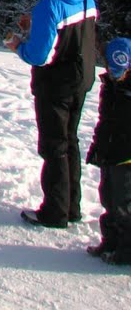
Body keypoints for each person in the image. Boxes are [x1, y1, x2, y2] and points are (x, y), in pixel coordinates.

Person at [6, 0, 97, 228]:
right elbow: (73, 34)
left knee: (54, 146)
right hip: (82, 78)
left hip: (55, 85)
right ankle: (72, 207)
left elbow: (40, 56)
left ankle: (54, 212)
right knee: (70, 141)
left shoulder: (48, 5)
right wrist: (37, 26)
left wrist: (17, 45)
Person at [86, 37, 131, 265]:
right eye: (112, 69)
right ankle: (110, 241)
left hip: (126, 156)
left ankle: (127, 250)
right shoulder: (110, 87)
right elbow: (105, 120)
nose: (116, 74)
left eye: (121, 70)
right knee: (108, 198)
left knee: (125, 204)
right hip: (110, 151)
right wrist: (98, 146)